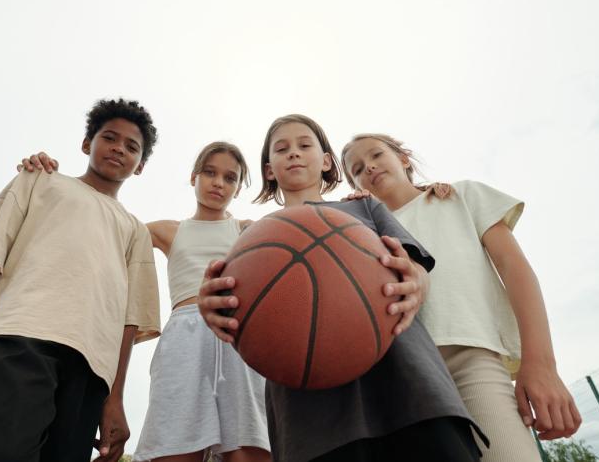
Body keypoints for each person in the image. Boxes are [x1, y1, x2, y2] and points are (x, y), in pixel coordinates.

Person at [197, 114, 486, 462]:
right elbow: (229, 302)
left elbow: (417, 270)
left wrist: (416, 283)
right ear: (268, 169)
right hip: (311, 421)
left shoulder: (363, 206)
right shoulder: (251, 240)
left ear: (326, 161)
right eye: (282, 148)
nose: (293, 153)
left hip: (409, 388)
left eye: (305, 145)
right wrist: (213, 305)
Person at [0, 98, 161, 462]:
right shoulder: (38, 180)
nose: (119, 149)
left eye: (132, 147)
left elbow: (129, 321)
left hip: (90, 371)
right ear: (87, 144)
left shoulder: (135, 230)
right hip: (20, 341)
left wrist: (114, 399)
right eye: (109, 138)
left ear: (141, 165)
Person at [20, 142, 272, 462]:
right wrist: (51, 178)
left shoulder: (246, 230)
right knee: (176, 446)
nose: (218, 182)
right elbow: (106, 222)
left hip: (235, 336)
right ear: (194, 177)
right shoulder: (168, 230)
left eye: (230, 177)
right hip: (185, 337)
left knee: (246, 449)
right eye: (209, 173)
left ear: (237, 189)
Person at [339, 133, 582, 461]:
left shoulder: (460, 196)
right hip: (402, 375)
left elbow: (515, 270)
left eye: (376, 155)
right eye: (356, 168)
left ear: (404, 157)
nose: (368, 167)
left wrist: (541, 365)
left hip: (472, 360)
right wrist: (349, 222)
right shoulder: (364, 233)